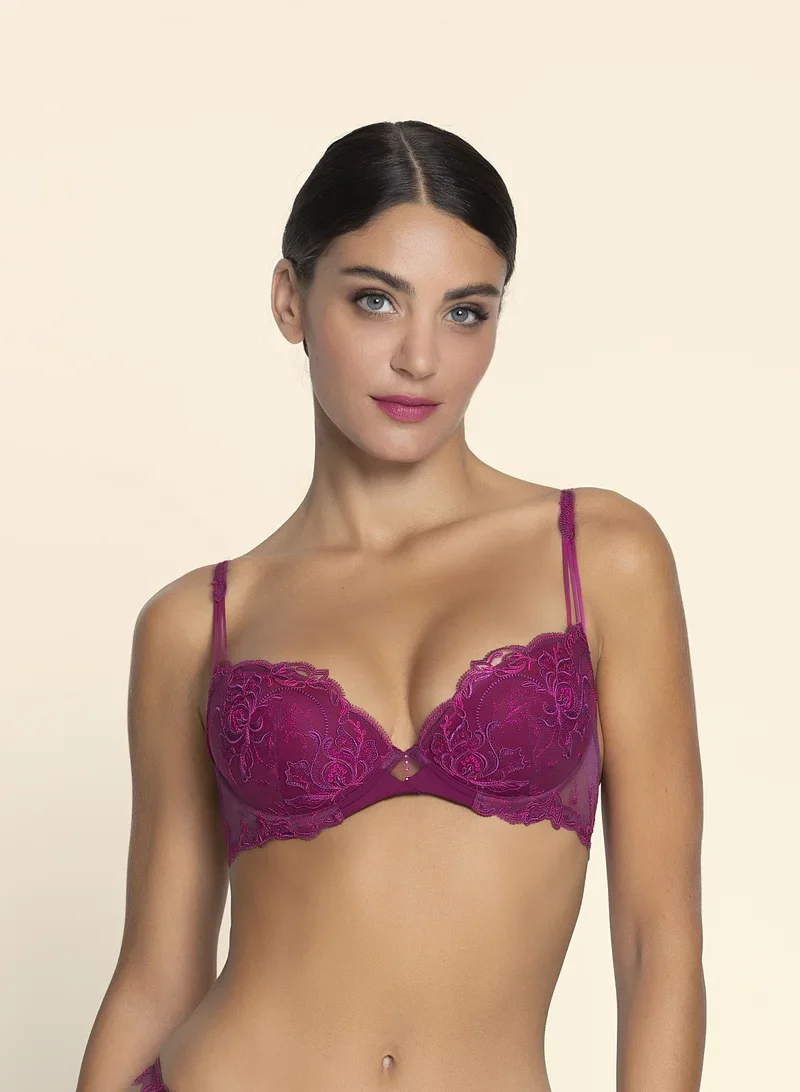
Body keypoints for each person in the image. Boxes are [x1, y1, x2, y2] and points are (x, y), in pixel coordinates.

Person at [76, 120, 706, 1092]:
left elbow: (656, 941)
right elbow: (155, 977)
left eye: (465, 313)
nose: (420, 357)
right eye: (375, 300)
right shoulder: (196, 622)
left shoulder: (599, 555)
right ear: (290, 301)